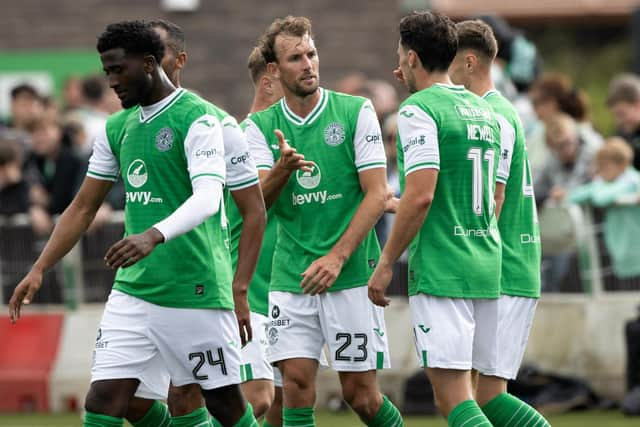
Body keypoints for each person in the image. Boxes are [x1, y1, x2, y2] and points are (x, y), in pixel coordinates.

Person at [8, 20, 259, 427]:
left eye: (117, 70)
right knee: (104, 400)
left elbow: (210, 198)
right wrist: (39, 267)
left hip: (194, 288)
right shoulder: (116, 127)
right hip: (134, 291)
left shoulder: (199, 119)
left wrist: (152, 235)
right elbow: (83, 206)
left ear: (148, 64)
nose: (110, 81)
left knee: (225, 407)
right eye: (106, 71)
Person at [246, 15, 402, 427]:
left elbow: (377, 193)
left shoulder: (355, 111)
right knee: (294, 385)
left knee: (361, 396)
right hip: (291, 276)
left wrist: (336, 257)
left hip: (348, 274)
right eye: (296, 58)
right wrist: (281, 170)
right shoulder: (258, 128)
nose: (309, 64)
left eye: (311, 54)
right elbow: (255, 204)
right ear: (275, 70)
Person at [121, 19, 266, 427]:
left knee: (201, 396)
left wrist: (240, 288)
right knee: (128, 398)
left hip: (199, 283)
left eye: (156, 53)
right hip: (142, 287)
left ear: (179, 60)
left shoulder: (216, 124)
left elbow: (254, 210)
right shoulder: (127, 123)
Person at [368, 11, 502, 427]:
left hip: (445, 267)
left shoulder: (416, 111)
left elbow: (422, 195)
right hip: (485, 262)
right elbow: (465, 192)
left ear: (410, 58)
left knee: (454, 400)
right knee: (476, 396)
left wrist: (386, 262)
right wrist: (403, 203)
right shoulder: (482, 110)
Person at [449, 19, 550, 426]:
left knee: (488, 397)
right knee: (470, 391)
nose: (445, 72)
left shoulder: (496, 114)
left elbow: (494, 196)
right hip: (498, 265)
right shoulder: (490, 111)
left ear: (469, 62)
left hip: (507, 265)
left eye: (449, 62)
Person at [568, 138, 640, 279]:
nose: (599, 171)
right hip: (622, 242)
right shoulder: (606, 182)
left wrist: (597, 187)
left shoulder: (633, 180)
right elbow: (574, 195)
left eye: (604, 167)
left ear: (622, 165)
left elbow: (600, 197)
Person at [607, 74, 640, 170]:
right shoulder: (622, 135)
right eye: (615, 116)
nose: (618, 122)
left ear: (638, 105)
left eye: (621, 114)